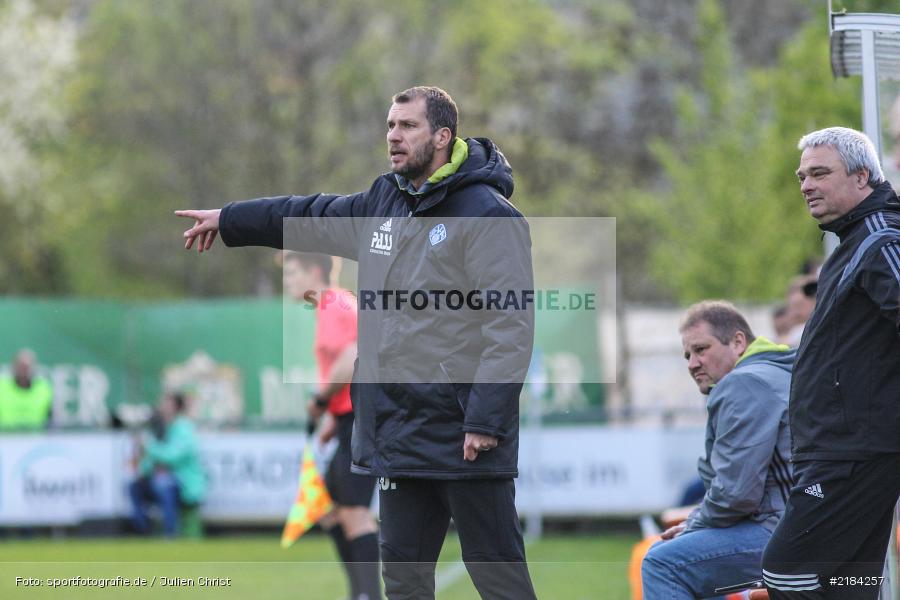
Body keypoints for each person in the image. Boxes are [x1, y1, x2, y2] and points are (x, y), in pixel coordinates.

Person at [176, 86, 537, 600]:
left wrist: (485, 420)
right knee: (404, 586)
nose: (393, 135)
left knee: (500, 582)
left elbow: (511, 327)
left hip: (464, 439)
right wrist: (231, 220)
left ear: (442, 136)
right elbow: (309, 213)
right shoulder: (383, 200)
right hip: (399, 434)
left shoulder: (489, 215)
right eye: (390, 125)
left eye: (407, 126)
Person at [762, 127, 900, 598]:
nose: (806, 185)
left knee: (786, 571)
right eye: (802, 176)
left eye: (820, 173)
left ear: (863, 176)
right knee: (852, 581)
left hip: (853, 452)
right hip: (849, 448)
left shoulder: (880, 240)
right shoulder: (856, 240)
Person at [642, 300, 794, 599]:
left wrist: (694, 524)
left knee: (661, 562)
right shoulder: (777, 370)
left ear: (738, 342)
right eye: (687, 355)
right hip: (812, 527)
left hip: (787, 534)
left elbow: (737, 495)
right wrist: (696, 524)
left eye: (701, 350)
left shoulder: (744, 383)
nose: (691, 364)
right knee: (688, 559)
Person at [281, 251, 380, 600]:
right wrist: (333, 417)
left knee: (354, 512)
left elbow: (353, 355)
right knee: (332, 511)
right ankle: (360, 592)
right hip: (347, 419)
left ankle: (367, 594)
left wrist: (321, 400)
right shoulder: (331, 306)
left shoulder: (335, 304)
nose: (287, 282)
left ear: (314, 271)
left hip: (360, 420)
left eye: (292, 273)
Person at [129, 392, 206, 537]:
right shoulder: (158, 427)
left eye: (166, 403)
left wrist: (148, 446)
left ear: (176, 407)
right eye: (162, 403)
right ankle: (142, 531)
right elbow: (150, 460)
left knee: (164, 484)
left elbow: (173, 456)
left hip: (183, 483)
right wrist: (142, 471)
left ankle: (170, 532)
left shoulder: (184, 428)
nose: (162, 406)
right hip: (157, 480)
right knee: (133, 486)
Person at [0, 349, 53, 430]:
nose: (24, 371)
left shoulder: (43, 389)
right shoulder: (2, 387)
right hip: (6, 439)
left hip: (37, 439)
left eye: (27, 367)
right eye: (21, 367)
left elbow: (51, 419)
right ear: (14, 367)